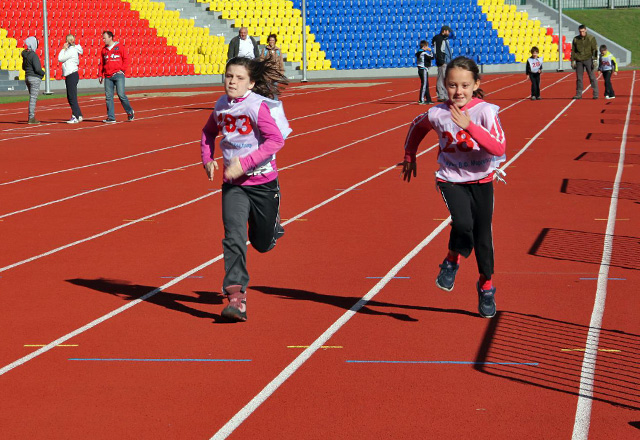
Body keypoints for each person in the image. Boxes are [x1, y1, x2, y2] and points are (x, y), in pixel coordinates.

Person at [401, 56, 506, 319]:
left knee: (483, 238)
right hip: (451, 179)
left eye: (464, 85)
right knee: (463, 223)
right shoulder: (437, 113)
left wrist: (469, 126)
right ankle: (451, 261)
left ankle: (486, 286)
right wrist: (410, 155)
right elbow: (417, 126)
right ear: (444, 85)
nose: (458, 91)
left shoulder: (485, 112)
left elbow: (499, 148)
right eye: (452, 85)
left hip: (482, 179)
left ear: (475, 84)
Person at [200, 56, 290, 322]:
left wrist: (246, 163)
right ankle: (236, 297)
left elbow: (276, 141)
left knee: (262, 244)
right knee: (234, 237)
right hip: (233, 186)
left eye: (239, 78)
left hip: (263, 184)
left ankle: (273, 224)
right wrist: (207, 159)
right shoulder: (220, 106)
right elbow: (207, 133)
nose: (232, 82)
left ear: (251, 83)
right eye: (229, 76)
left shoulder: (256, 107)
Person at [98, 30, 134, 123]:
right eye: (103, 38)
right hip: (108, 76)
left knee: (121, 95)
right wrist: (100, 74)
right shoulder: (104, 50)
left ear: (110, 37)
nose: (103, 40)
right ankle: (111, 117)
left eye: (104, 38)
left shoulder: (120, 47)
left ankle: (130, 112)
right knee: (108, 97)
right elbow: (101, 63)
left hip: (118, 75)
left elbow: (126, 59)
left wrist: (122, 70)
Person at [58, 34, 84, 124]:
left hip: (71, 74)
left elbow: (60, 58)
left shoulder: (71, 50)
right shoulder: (74, 49)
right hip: (72, 74)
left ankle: (75, 116)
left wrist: (63, 49)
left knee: (71, 97)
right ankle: (79, 115)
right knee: (72, 96)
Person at [21, 36, 45, 124]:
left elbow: (23, 67)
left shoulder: (25, 55)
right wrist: (43, 73)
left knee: (32, 97)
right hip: (34, 78)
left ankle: (31, 116)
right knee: (33, 98)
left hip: (27, 76)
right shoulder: (33, 55)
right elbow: (37, 68)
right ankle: (31, 118)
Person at [570, 25, 599, 100]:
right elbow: (573, 50)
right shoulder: (576, 39)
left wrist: (595, 60)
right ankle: (578, 94)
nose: (581, 33)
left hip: (588, 59)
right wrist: (572, 61)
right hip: (579, 60)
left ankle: (595, 94)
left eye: (583, 31)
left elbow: (594, 49)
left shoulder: (591, 38)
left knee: (592, 77)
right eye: (580, 31)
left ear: (586, 30)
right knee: (579, 78)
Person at [431, 25, 455, 102]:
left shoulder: (444, 39)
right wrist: (440, 61)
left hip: (446, 61)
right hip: (442, 62)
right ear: (444, 31)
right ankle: (440, 95)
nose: (449, 33)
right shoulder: (439, 39)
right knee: (441, 78)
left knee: (445, 78)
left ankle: (444, 94)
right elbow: (438, 51)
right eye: (448, 31)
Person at [260, 34, 285, 100]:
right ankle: (267, 104)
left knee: (274, 90)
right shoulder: (265, 50)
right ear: (268, 41)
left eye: (273, 40)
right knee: (267, 90)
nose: (271, 41)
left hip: (275, 73)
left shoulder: (278, 50)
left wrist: (281, 71)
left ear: (275, 41)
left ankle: (275, 104)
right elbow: (261, 60)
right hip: (267, 73)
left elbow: (280, 61)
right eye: (270, 40)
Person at [416, 40, 434, 105]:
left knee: (426, 84)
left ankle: (428, 99)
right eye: (427, 46)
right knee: (424, 85)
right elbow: (432, 57)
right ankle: (421, 99)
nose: (427, 48)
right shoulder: (424, 53)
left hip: (421, 69)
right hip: (423, 69)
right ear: (424, 47)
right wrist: (431, 51)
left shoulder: (419, 52)